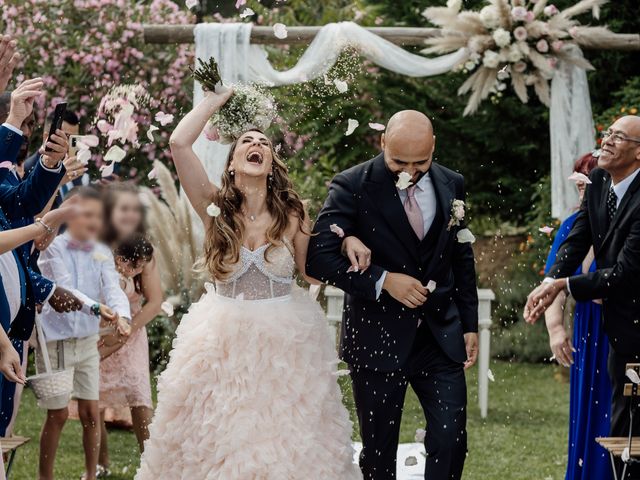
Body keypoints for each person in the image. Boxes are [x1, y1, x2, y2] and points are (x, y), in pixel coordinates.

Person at [136, 89, 361, 479]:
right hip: (222, 338)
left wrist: (347, 240)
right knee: (220, 434)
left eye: (265, 143)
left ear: (271, 163)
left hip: (284, 340)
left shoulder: (292, 212)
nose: (257, 145)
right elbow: (178, 142)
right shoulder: (214, 207)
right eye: (247, 142)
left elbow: (310, 272)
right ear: (233, 161)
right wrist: (214, 100)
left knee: (283, 437)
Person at [307, 110, 479, 480]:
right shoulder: (352, 183)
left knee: (451, 440)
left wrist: (470, 323)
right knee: (379, 450)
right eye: (399, 161)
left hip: (439, 335)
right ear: (382, 141)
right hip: (376, 336)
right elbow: (318, 257)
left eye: (421, 162)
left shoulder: (453, 183)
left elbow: (461, 255)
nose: (410, 171)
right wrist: (384, 280)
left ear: (433, 146)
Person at [525, 115, 640, 479]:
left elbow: (626, 274)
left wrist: (565, 287)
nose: (606, 141)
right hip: (622, 336)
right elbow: (578, 239)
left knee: (634, 430)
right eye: (607, 134)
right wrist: (551, 280)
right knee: (625, 429)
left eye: (618, 138)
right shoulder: (600, 182)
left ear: (638, 154)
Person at [37, 186, 132, 480]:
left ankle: (91, 476)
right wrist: (97, 307)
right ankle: (45, 477)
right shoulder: (53, 247)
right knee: (59, 414)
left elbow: (113, 288)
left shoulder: (101, 250)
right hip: (54, 340)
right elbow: (66, 289)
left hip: (88, 341)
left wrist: (124, 317)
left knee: (92, 413)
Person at [543, 152, 612, 480]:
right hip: (590, 328)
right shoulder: (573, 225)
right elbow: (552, 283)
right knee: (591, 411)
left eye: (589, 185)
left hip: (623, 326)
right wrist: (556, 327)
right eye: (580, 186)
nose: (582, 193)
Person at [97, 182, 162, 474]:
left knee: (138, 394)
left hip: (132, 330)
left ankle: (152, 466)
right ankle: (99, 465)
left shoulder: (143, 249)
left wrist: (124, 333)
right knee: (93, 397)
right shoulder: (94, 245)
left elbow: (155, 302)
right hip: (97, 330)